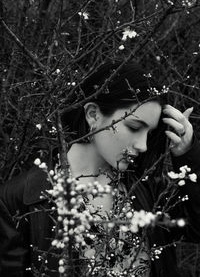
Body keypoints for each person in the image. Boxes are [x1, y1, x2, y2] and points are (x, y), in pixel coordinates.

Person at [0, 61, 200, 277]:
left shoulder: (146, 189)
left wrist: (187, 152)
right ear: (93, 115)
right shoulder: (18, 201)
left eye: (149, 134)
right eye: (133, 127)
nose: (143, 145)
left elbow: (196, 228)